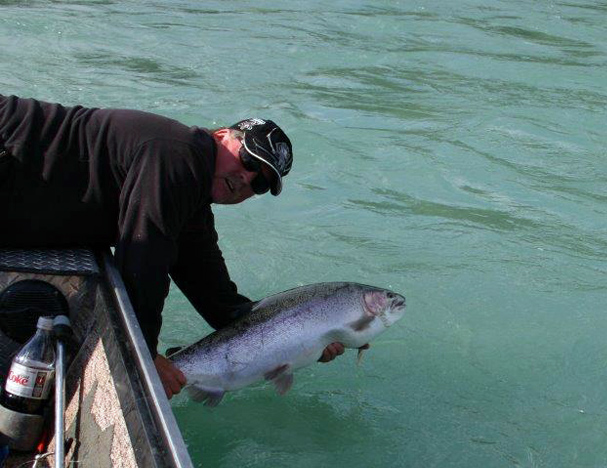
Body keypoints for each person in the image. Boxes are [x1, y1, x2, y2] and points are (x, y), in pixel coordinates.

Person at [0, 95, 347, 398]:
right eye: (248, 161)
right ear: (222, 136)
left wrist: (309, 339)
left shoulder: (189, 203)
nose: (246, 179)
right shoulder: (179, 153)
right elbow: (144, 252)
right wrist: (145, 353)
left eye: (260, 184)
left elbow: (224, 306)